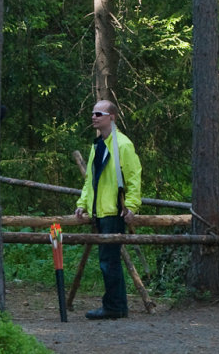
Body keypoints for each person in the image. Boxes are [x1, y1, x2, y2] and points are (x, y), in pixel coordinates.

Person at [74, 99, 142, 320]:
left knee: (109, 261)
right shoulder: (98, 145)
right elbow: (90, 180)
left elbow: (133, 177)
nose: (94, 117)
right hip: (99, 211)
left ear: (111, 117)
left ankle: (114, 306)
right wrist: (82, 203)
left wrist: (131, 206)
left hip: (114, 211)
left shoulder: (122, 145)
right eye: (93, 113)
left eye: (99, 114)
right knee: (108, 260)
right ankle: (117, 305)